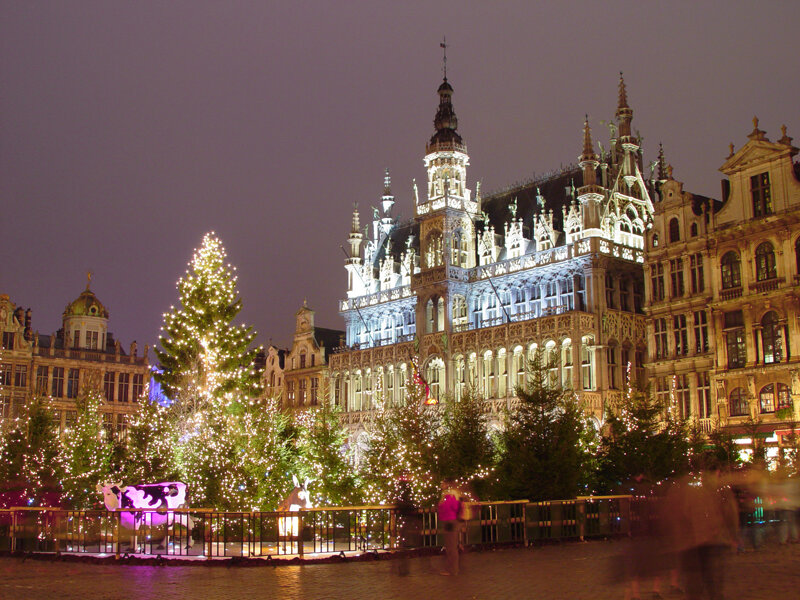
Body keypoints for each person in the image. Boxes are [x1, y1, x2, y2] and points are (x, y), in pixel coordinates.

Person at [437, 480, 461, 576]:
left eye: (442, 483)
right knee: (450, 546)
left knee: (451, 546)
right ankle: (452, 568)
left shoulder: (449, 496)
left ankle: (452, 569)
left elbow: (453, 507)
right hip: (448, 521)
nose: (441, 485)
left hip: (450, 521)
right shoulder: (448, 495)